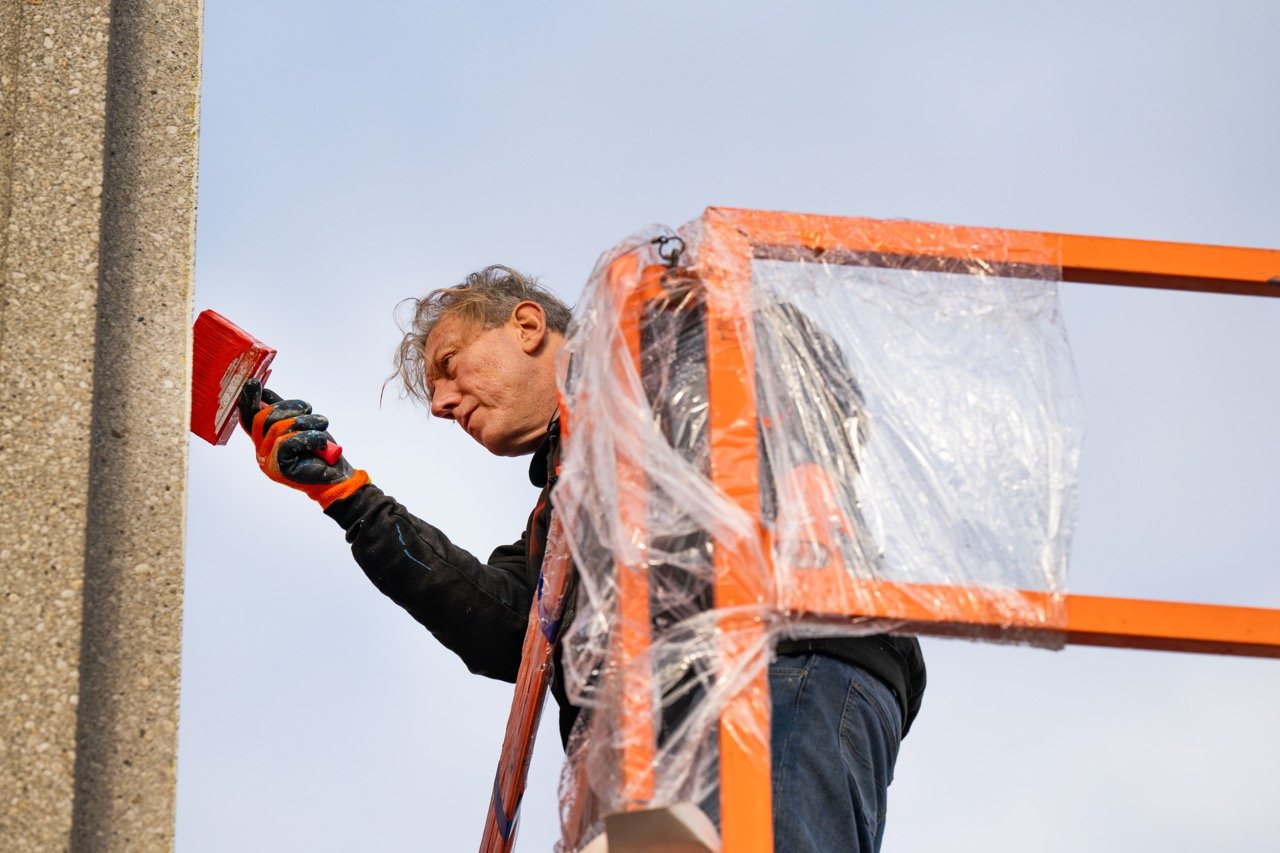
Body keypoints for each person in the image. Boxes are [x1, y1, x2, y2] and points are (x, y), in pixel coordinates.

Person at [238, 264, 925, 852]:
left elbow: (797, 370)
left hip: (785, 657)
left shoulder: (662, 346)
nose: (443, 404)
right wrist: (348, 496)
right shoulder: (563, 522)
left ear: (527, 326)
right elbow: (504, 629)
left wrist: (798, 467)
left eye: (450, 365)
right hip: (661, 732)